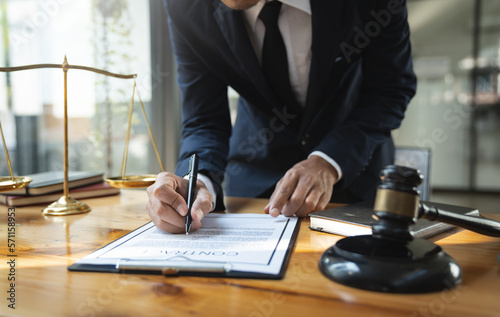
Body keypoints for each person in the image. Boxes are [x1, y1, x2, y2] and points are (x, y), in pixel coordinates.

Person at [147, 0, 417, 233]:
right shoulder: (185, 6)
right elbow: (204, 117)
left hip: (353, 182)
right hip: (254, 192)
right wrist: (196, 181)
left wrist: (328, 161)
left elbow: (391, 90)